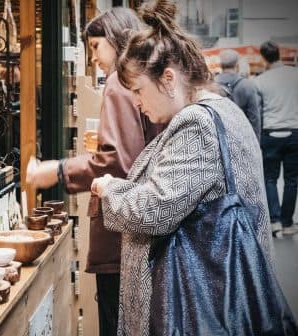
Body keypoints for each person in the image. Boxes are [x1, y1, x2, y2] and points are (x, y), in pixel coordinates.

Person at [90, 1, 271, 335]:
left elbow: (155, 209)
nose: (138, 104)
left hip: (200, 306)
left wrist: (109, 189)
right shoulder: (222, 110)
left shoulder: (196, 123)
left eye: (139, 91)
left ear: (168, 78)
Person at [27, 8, 164, 336]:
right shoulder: (144, 81)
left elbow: (117, 161)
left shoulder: (119, 82)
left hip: (121, 234)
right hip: (144, 229)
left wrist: (57, 171)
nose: (93, 58)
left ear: (117, 41)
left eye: (95, 46)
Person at [255, 40, 298, 236]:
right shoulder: (295, 75)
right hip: (295, 132)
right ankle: (288, 223)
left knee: (269, 178)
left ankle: (275, 221)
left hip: (270, 133)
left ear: (263, 58)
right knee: (292, 180)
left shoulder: (260, 81)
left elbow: (257, 111)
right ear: (279, 53)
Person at [214, 49, 261, 139]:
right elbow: (254, 118)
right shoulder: (248, 85)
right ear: (237, 64)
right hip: (242, 137)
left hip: (219, 137)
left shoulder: (211, 85)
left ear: (221, 65)